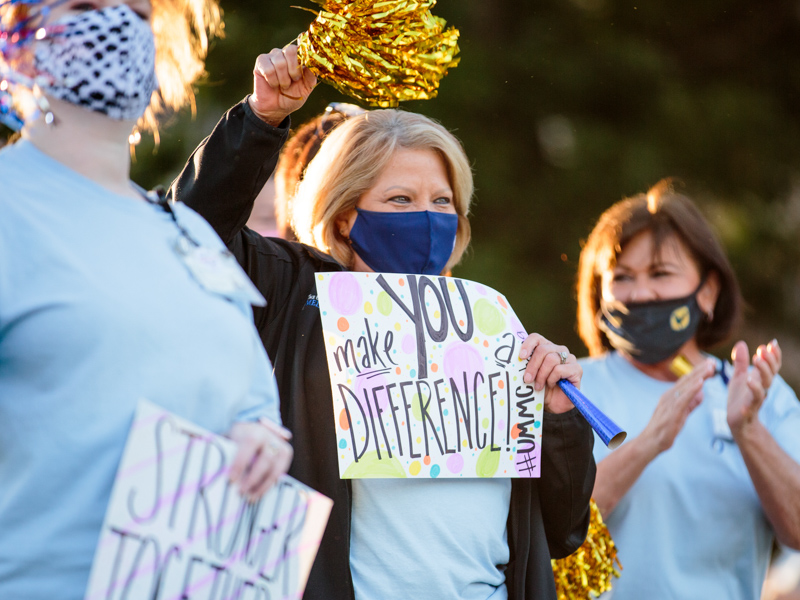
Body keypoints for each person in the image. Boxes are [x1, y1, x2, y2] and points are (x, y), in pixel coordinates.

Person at [173, 50, 596, 600]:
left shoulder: (491, 324)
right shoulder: (296, 293)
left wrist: (559, 418)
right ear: (345, 215)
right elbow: (194, 229)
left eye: (442, 200)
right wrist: (261, 119)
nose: (427, 216)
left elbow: (562, 531)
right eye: (401, 199)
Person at [0, 1, 295, 597]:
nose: (114, 26)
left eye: (135, 13)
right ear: (18, 41)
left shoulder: (186, 239)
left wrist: (259, 438)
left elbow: (254, 408)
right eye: (84, 6)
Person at [575, 180, 800, 599]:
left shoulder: (758, 393)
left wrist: (748, 431)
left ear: (709, 291)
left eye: (660, 274)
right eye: (621, 278)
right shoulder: (571, 390)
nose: (641, 294)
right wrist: (649, 442)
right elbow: (549, 529)